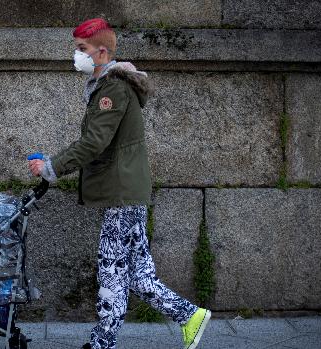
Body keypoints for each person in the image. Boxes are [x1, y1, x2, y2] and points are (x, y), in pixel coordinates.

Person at [27, 18, 211, 349]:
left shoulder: (112, 89)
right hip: (125, 192)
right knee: (139, 275)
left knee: (112, 269)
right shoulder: (106, 86)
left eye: (81, 49)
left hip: (122, 194)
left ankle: (102, 343)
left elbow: (95, 141)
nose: (76, 55)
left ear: (101, 52)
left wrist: (52, 167)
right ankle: (190, 317)